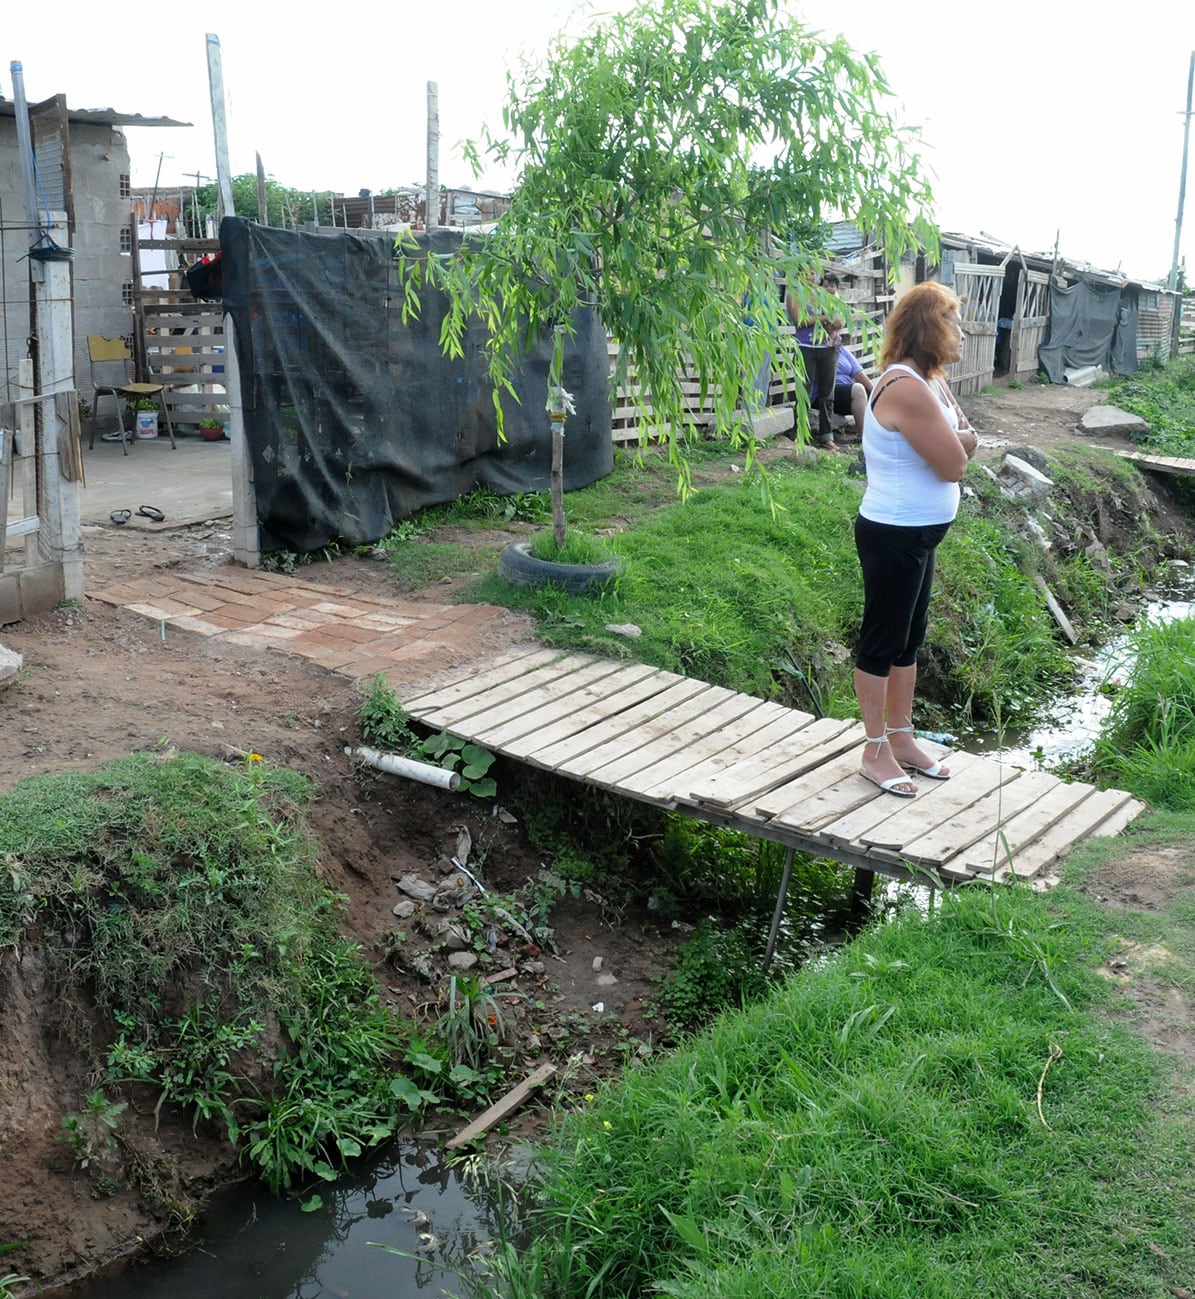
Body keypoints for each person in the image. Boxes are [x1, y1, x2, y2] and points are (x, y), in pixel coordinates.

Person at [853, 281, 978, 797]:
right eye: (951, 320)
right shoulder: (904, 385)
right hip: (893, 532)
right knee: (882, 642)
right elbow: (955, 462)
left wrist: (962, 442)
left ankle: (902, 737)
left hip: (920, 535)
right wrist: (962, 445)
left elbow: (967, 436)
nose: (960, 331)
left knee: (910, 638)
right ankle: (873, 749)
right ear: (928, 327)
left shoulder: (934, 382)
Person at [787, 272, 844, 451]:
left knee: (827, 394)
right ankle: (800, 433)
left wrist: (833, 323)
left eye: (812, 272)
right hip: (805, 347)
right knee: (804, 391)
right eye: (804, 272)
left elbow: (839, 320)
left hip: (827, 349)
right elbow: (800, 320)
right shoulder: (794, 294)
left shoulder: (827, 294)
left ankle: (826, 436)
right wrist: (825, 318)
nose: (809, 276)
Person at [810, 343, 873, 437]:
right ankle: (864, 436)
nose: (837, 336)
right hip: (825, 394)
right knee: (858, 389)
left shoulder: (841, 350)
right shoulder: (816, 350)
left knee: (878, 394)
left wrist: (877, 392)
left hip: (847, 392)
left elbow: (858, 373)